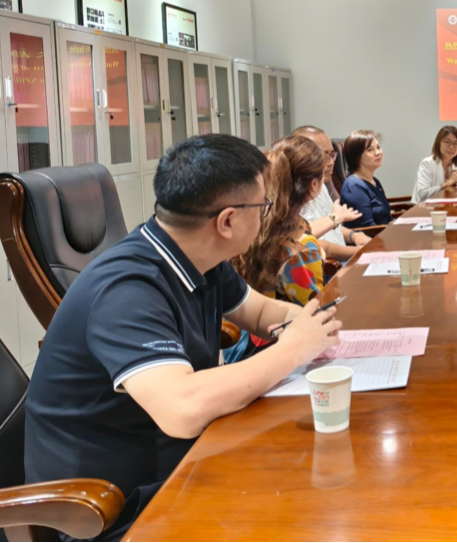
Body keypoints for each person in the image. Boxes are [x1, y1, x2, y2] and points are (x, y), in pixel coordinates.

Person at [24, 135, 343, 541]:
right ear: (227, 221)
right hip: (115, 510)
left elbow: (262, 312)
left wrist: (311, 324)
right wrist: (293, 349)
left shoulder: (197, 255)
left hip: (184, 462)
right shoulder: (126, 290)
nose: (268, 215)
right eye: (263, 207)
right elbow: (181, 408)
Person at [233, 135, 332, 307]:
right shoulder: (301, 248)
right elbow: (315, 309)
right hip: (281, 323)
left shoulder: (249, 223)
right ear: (314, 186)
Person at [292, 126, 371, 261]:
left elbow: (331, 229)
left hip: (346, 258)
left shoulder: (321, 186)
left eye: (332, 155)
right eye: (324, 155)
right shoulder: (292, 195)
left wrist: (354, 235)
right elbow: (313, 241)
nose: (331, 162)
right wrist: (360, 252)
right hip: (329, 266)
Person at [340, 130, 393, 228]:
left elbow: (388, 219)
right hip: (372, 236)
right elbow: (368, 228)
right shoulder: (354, 186)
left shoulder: (375, 181)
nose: (378, 152)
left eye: (378, 147)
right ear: (356, 157)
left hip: (385, 232)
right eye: (370, 150)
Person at [412, 126, 457, 203]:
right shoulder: (427, 163)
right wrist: (448, 183)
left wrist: (455, 182)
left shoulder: (452, 164)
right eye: (447, 142)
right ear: (438, 143)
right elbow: (422, 194)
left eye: (456, 144)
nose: (451, 147)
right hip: (424, 208)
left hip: (442, 206)